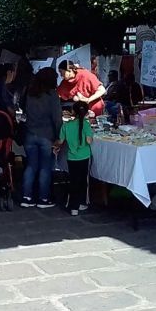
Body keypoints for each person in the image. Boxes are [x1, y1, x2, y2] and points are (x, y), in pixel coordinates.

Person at [21, 68, 62, 208]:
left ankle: (27, 197)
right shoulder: (52, 95)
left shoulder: (29, 92)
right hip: (46, 135)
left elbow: (23, 108)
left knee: (31, 166)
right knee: (45, 167)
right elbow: (57, 118)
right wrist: (58, 137)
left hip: (30, 133)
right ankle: (43, 199)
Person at [59, 101, 94, 215]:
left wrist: (54, 146)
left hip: (72, 157)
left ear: (73, 111)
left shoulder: (66, 125)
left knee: (73, 180)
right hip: (84, 156)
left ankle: (73, 206)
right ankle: (81, 203)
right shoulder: (86, 125)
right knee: (83, 180)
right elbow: (89, 141)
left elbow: (60, 141)